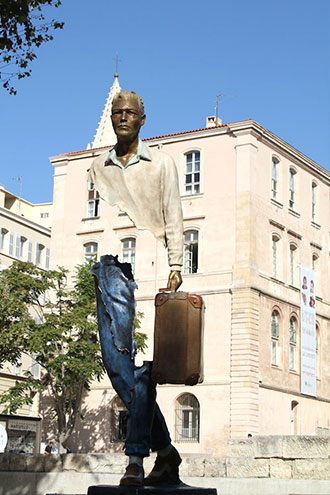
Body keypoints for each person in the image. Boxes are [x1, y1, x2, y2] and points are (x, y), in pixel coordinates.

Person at [88, 91, 184, 487]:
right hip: (110, 268)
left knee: (145, 371)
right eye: (117, 113)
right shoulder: (98, 166)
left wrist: (176, 264)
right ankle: (166, 451)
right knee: (116, 365)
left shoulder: (160, 163)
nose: (122, 118)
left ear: (143, 120)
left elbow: (174, 213)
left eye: (130, 113)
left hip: (153, 262)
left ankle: (135, 459)